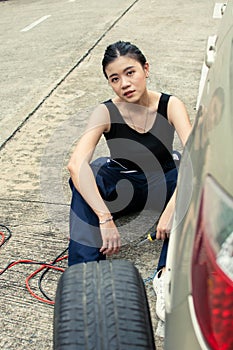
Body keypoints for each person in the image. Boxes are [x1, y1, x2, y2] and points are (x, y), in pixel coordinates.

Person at [67, 41, 192, 330]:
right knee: (85, 176)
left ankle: (165, 274)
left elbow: (198, 154)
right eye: (114, 78)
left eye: (130, 72)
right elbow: (76, 163)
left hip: (164, 180)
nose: (124, 83)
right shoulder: (105, 112)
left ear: (146, 70)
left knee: (196, 184)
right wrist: (105, 218)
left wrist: (173, 206)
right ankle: (84, 277)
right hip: (123, 181)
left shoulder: (170, 105)